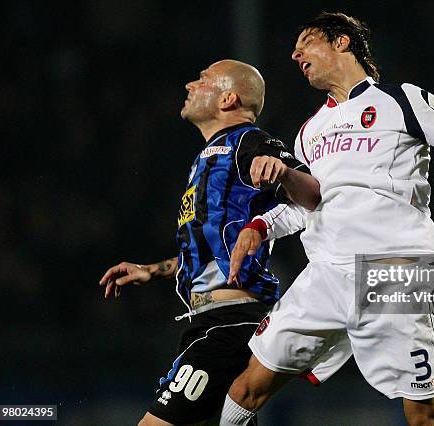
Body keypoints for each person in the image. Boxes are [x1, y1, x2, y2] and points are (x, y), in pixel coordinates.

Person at [219, 12, 434, 426]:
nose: (295, 53)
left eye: (307, 41)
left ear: (342, 42)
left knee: (424, 414)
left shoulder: (401, 100)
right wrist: (260, 227)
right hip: (325, 276)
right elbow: (308, 203)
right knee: (246, 388)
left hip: (391, 274)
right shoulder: (308, 131)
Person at [98, 59, 319, 426]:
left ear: (228, 98)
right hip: (208, 320)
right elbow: (211, 248)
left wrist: (283, 171)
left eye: (202, 80)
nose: (190, 85)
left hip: (231, 323)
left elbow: (312, 192)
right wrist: (152, 270)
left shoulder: (247, 140)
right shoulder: (206, 157)